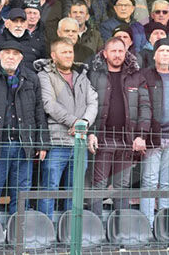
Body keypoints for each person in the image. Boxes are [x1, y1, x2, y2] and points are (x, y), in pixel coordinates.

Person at [0, 42, 49, 216]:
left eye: (15, 53)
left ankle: (18, 230)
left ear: (21, 57)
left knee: (21, 196)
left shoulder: (31, 78)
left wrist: (42, 143)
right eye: (7, 52)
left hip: (24, 145)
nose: (11, 56)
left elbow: (39, 111)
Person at [35, 38, 98, 221]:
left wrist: (83, 123)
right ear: (53, 56)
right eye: (64, 52)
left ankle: (70, 230)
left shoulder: (81, 76)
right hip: (57, 141)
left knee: (75, 190)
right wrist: (74, 122)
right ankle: (46, 228)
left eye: (70, 52)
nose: (69, 55)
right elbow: (49, 104)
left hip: (79, 142)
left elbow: (93, 102)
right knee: (50, 188)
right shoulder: (45, 75)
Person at [87, 37, 151, 216]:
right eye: (113, 51)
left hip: (127, 139)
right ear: (105, 53)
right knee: (98, 185)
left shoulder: (136, 76)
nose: (117, 55)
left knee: (122, 186)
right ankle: (95, 226)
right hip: (103, 138)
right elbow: (86, 106)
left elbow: (145, 107)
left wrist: (141, 135)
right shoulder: (94, 74)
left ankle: (121, 225)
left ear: (126, 53)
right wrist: (91, 133)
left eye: (120, 51)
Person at [139, 39, 169, 227]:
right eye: (161, 50)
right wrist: (142, 134)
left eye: (168, 51)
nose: (165, 54)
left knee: (168, 183)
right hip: (153, 138)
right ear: (154, 55)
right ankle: (147, 225)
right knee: (149, 182)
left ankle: (163, 225)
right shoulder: (146, 75)